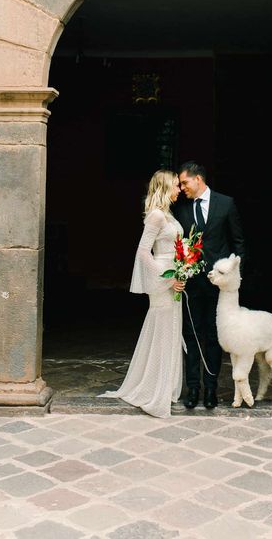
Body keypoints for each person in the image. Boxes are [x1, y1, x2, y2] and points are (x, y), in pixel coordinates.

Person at [98, 170, 185, 418]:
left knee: (171, 329)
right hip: (164, 282)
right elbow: (144, 252)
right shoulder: (157, 216)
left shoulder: (167, 214)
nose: (179, 189)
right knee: (163, 330)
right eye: (176, 185)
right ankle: (154, 388)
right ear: (166, 186)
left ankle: (165, 385)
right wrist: (167, 278)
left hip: (174, 278)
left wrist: (182, 268)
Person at [173, 161, 245, 409]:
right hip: (191, 284)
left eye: (184, 182)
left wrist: (235, 279)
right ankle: (193, 388)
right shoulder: (180, 209)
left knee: (214, 336)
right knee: (191, 335)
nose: (182, 188)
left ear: (198, 180)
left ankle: (211, 389)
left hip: (218, 286)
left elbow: (238, 243)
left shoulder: (226, 204)